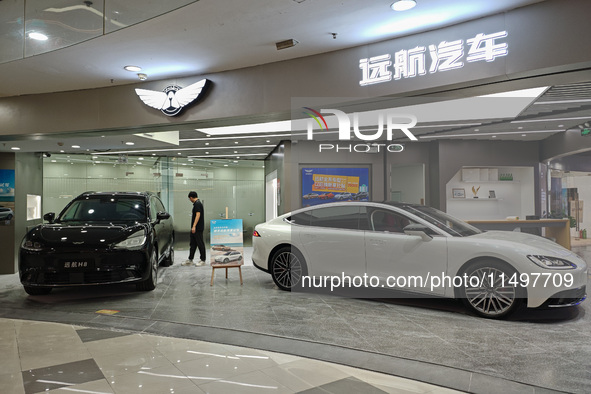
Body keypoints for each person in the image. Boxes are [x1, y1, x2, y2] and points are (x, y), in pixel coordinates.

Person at [183, 191, 206, 266]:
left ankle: (203, 260)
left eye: (189, 198)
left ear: (191, 197)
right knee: (193, 244)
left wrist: (194, 226)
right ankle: (190, 259)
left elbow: (198, 215)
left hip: (197, 228)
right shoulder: (196, 204)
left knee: (200, 244)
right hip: (195, 228)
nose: (190, 200)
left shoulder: (197, 204)